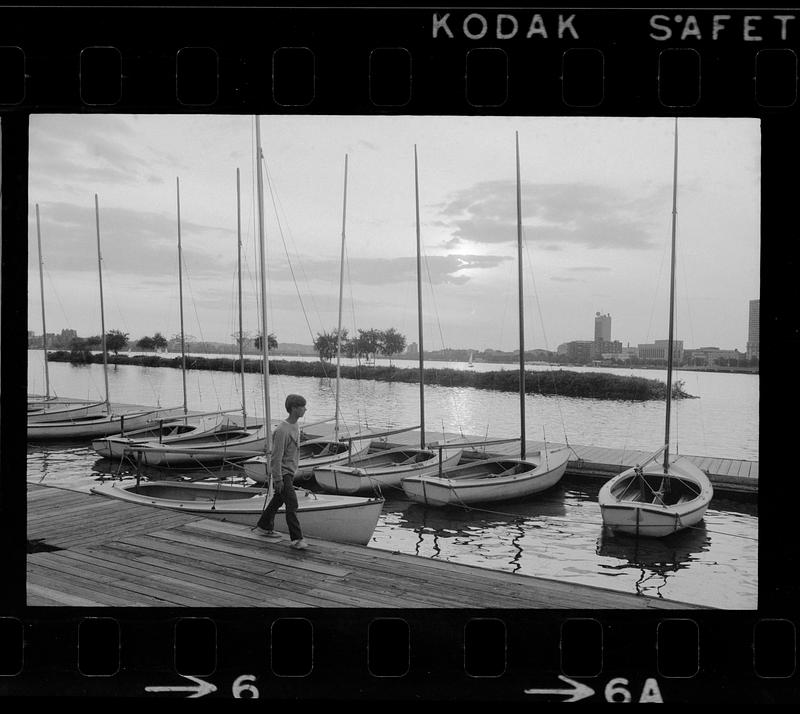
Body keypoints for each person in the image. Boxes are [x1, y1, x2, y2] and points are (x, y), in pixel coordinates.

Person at [253, 394, 308, 550]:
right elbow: (276, 457)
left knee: (278, 499)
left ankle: (263, 526)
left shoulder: (295, 425)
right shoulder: (282, 430)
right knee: (292, 503)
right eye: (303, 406)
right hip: (283, 473)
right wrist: (278, 479)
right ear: (294, 408)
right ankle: (296, 539)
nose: (305, 409)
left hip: (289, 472)